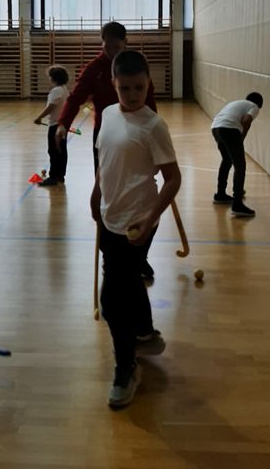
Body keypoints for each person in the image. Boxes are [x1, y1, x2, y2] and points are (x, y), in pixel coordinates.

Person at [90, 50, 181, 409]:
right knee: (126, 281)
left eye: (139, 87)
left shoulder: (153, 126)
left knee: (112, 302)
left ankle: (126, 367)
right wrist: (97, 190)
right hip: (109, 215)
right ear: (114, 84)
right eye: (125, 88)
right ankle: (144, 333)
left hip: (137, 222)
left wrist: (150, 217)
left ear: (149, 84)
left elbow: (173, 179)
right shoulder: (109, 114)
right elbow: (105, 157)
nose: (132, 95)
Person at [56, 22, 158, 278]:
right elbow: (76, 97)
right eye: (106, 47)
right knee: (107, 195)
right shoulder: (95, 69)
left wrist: (153, 136)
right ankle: (109, 255)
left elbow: (150, 102)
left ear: (125, 43)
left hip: (137, 138)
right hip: (107, 139)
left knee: (138, 196)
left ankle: (139, 257)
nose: (111, 51)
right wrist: (63, 123)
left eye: (116, 47)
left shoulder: (135, 67)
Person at [211, 92, 264, 217]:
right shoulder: (254, 107)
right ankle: (237, 203)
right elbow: (247, 120)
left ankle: (220, 194)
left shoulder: (236, 103)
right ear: (259, 104)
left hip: (216, 127)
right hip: (229, 129)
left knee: (227, 160)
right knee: (240, 166)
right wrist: (242, 137)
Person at [33, 66, 70, 187]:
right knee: (61, 151)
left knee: (54, 151)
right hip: (62, 124)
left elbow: (51, 107)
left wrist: (39, 117)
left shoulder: (56, 91)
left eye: (50, 76)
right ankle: (60, 176)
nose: (49, 78)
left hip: (55, 125)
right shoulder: (64, 89)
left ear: (54, 78)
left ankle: (53, 177)